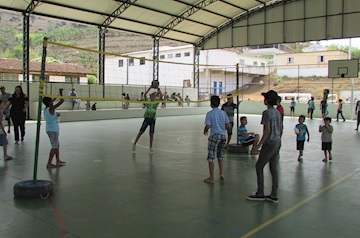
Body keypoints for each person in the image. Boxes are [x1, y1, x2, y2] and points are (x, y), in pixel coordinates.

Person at [246, 90, 282, 203]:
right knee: (273, 168)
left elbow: (267, 131)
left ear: (266, 101)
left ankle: (260, 193)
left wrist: (258, 145)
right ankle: (274, 194)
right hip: (277, 142)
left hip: (270, 143)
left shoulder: (266, 113)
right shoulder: (278, 112)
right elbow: (280, 129)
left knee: (259, 166)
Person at [203, 95, 230, 184]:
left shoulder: (210, 114)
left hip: (214, 136)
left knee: (211, 156)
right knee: (220, 155)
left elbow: (208, 125)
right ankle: (221, 173)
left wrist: (206, 129)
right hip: (223, 136)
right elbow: (228, 125)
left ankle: (211, 178)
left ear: (211, 104)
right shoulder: (223, 113)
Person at [133, 85, 163, 153]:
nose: (153, 97)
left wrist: (158, 89)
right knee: (141, 132)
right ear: (151, 97)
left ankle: (151, 147)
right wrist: (150, 87)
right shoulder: (148, 101)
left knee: (151, 134)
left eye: (154, 96)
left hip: (152, 120)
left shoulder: (156, 103)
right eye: (152, 96)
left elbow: (161, 96)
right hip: (146, 119)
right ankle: (134, 144)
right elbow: (145, 94)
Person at [42, 88, 66, 169]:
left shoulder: (46, 109)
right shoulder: (51, 109)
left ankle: (58, 160)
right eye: (52, 101)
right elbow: (62, 101)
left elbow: (53, 100)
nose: (53, 101)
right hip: (52, 130)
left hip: (50, 129)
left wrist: (56, 96)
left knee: (56, 145)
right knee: (54, 147)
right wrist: (61, 93)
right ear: (50, 103)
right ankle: (49, 163)